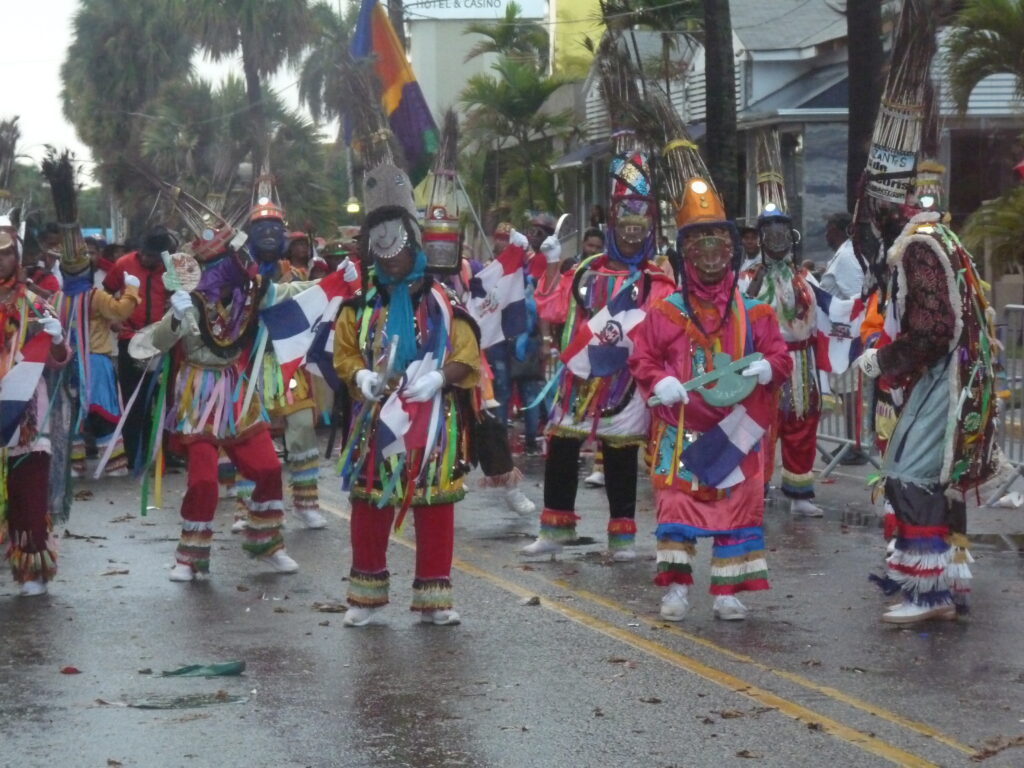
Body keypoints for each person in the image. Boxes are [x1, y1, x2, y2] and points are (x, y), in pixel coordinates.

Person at [630, 178, 791, 621]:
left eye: (718, 247)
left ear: (731, 253)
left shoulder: (755, 312)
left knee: (737, 506)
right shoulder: (665, 311)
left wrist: (770, 368)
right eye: (699, 248)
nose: (710, 258)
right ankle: (676, 590)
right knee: (675, 507)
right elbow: (642, 357)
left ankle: (727, 592)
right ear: (686, 256)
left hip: (736, 430)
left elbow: (780, 356)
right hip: (681, 431)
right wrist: (659, 380)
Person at [333, 159, 480, 627]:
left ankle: (435, 596)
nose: (389, 260)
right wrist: (361, 377)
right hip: (376, 417)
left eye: (396, 250)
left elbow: (468, 353)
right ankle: (365, 598)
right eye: (380, 253)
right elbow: (345, 353)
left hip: (433, 420)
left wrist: (440, 378)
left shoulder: (443, 301)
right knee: (370, 501)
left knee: (434, 504)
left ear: (414, 244)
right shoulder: (359, 307)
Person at [525, 148, 675, 561]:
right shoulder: (586, 270)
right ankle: (555, 530)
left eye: (639, 229)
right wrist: (551, 265)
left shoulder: (658, 281)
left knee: (621, 456)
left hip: (627, 380)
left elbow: (666, 332)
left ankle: (622, 539)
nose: (631, 236)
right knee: (561, 448)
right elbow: (552, 309)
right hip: (580, 376)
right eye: (624, 228)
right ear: (612, 225)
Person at [149, 224, 315, 581]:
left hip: (237, 390)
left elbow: (291, 292)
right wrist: (175, 316)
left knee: (268, 468)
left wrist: (335, 285)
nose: (234, 267)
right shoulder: (189, 300)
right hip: (198, 395)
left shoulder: (251, 294)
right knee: (204, 481)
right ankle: (189, 556)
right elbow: (157, 342)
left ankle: (267, 543)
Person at [857, 210, 999, 623]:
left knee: (911, 474)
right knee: (935, 479)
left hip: (947, 379)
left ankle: (929, 594)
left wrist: (883, 360)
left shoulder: (918, 246)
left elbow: (934, 330)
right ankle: (942, 586)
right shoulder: (937, 236)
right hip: (956, 375)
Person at [242, 192, 327, 530]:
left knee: (302, 426)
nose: (268, 233)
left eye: (275, 227)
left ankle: (306, 502)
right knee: (248, 434)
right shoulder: (237, 272)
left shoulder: (294, 274)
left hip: (287, 363)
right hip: (248, 364)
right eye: (261, 227)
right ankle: (247, 506)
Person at [741, 206, 824, 516]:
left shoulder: (804, 278)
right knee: (760, 427)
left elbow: (822, 315)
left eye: (783, 234)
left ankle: (799, 495)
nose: (777, 240)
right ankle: (755, 489)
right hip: (763, 362)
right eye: (771, 234)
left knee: (801, 422)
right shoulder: (747, 278)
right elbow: (740, 314)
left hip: (800, 360)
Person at [0, 225, 68, 596]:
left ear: (17, 256)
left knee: (29, 490)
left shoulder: (36, 303)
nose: (0, 260)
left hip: (25, 410)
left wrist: (55, 339)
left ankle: (31, 568)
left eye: (6, 252)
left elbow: (60, 358)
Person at [103, 227, 172, 469]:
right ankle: (134, 456)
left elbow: (179, 297)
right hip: (129, 338)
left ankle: (162, 455)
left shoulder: (169, 269)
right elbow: (105, 293)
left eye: (153, 256)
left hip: (160, 341)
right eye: (145, 253)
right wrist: (112, 318)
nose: (147, 258)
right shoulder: (123, 264)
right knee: (134, 400)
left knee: (161, 399)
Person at [820, 211, 869, 466]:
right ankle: (849, 440)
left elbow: (857, 298)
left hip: (847, 336)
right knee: (843, 388)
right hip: (837, 335)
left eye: (829, 229)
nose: (826, 235)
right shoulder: (842, 255)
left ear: (841, 230)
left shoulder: (848, 258)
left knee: (850, 390)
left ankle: (855, 444)